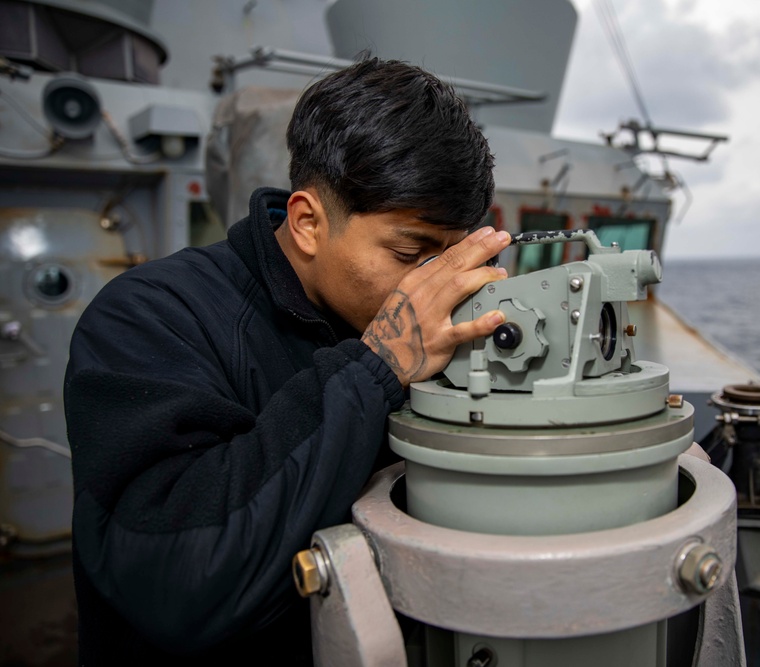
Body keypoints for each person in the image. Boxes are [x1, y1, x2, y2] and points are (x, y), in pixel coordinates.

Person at [64, 57, 510, 665]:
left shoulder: (432, 325)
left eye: (454, 255)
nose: (437, 283)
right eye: (412, 252)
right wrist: (378, 366)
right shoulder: (149, 316)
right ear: (306, 223)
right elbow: (178, 582)